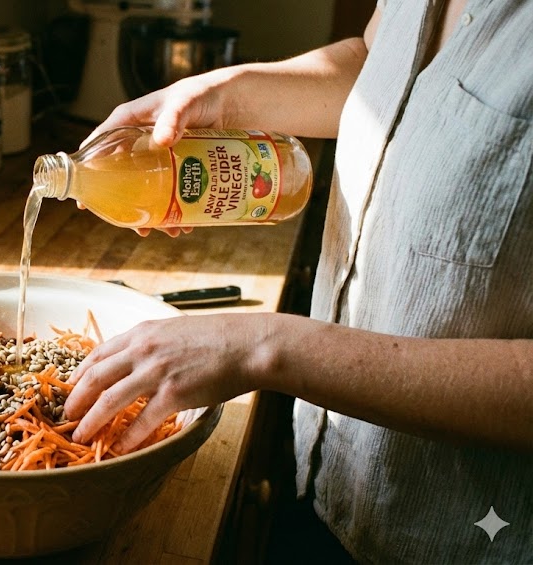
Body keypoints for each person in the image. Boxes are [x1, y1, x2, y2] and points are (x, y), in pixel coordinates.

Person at [62, 1, 532, 562]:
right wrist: (227, 92)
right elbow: (377, 65)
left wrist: (268, 347)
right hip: (331, 477)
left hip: (466, 536)